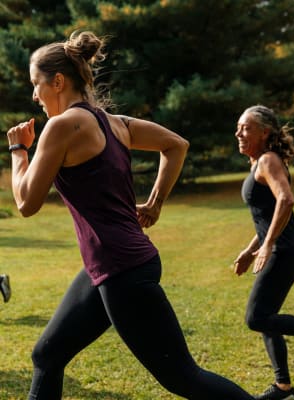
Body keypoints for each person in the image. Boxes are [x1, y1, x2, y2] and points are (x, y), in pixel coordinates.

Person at [7, 30, 255, 400]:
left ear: (57, 81)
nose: (34, 95)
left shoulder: (63, 126)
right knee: (48, 354)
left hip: (122, 269)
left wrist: (17, 151)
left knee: (184, 377)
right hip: (113, 265)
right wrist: (154, 203)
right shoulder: (114, 123)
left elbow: (27, 202)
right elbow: (176, 145)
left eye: (35, 84)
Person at [234, 104, 294, 400]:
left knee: (256, 318)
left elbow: (286, 200)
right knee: (267, 315)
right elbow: (267, 215)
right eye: (238, 128)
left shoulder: (268, 160)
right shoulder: (258, 161)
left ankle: (282, 385)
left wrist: (269, 244)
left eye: (246, 128)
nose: (239, 133)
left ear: (265, 132)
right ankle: (282, 386)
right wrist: (252, 249)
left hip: (285, 252)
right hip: (281, 249)